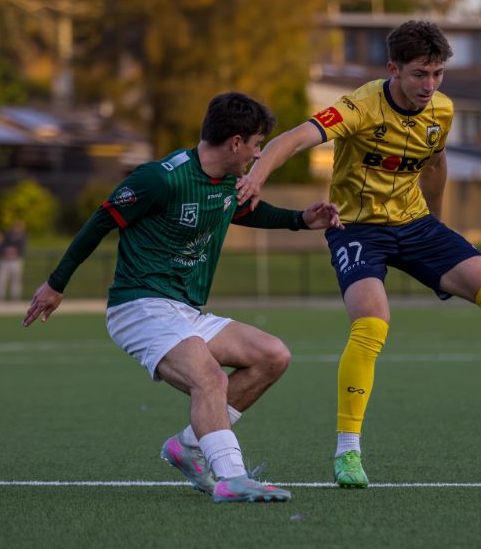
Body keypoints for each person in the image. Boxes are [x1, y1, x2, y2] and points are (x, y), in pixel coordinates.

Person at [236, 20, 481, 488]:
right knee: (372, 324)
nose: (430, 85)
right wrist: (258, 176)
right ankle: (347, 452)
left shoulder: (441, 110)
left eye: (437, 74)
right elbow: (293, 139)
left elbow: (437, 162)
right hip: (358, 229)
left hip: (416, 224)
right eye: (420, 74)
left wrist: (440, 224)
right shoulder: (360, 106)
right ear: (394, 69)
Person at [23, 91, 343, 503]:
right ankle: (231, 478)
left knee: (272, 355)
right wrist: (55, 284)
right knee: (207, 376)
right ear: (235, 143)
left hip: (185, 312)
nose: (258, 153)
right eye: (257, 144)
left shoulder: (228, 182)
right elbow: (101, 221)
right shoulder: (161, 177)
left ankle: (189, 445)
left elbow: (241, 210)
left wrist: (300, 220)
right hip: (138, 306)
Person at [0, 220, 26, 301]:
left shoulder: (23, 237)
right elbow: (1, 247)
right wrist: (7, 250)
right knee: (2, 279)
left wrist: (14, 251)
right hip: (5, 260)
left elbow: (21, 250)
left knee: (16, 280)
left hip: (16, 261)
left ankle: (15, 298)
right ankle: (0, 298)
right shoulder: (7, 235)